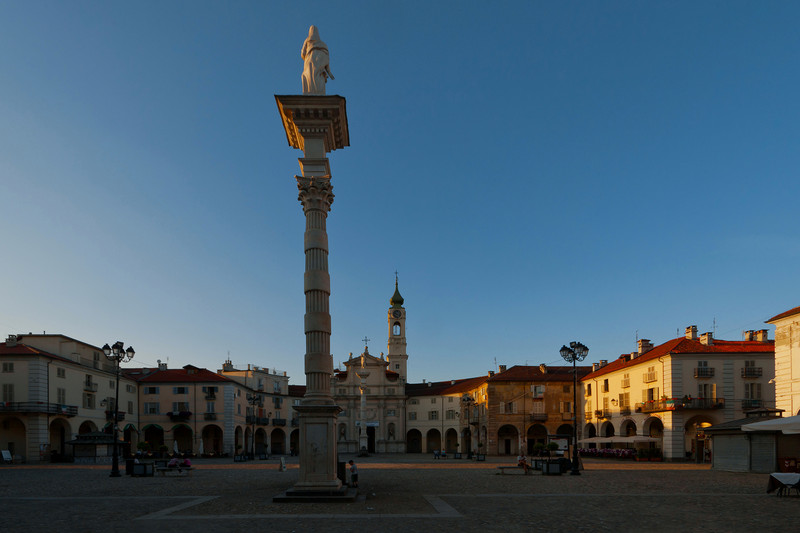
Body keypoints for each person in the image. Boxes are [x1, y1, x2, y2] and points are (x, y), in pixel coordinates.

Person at [301, 25, 334, 94]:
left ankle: (309, 92)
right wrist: (329, 71)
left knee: (309, 76)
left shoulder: (307, 40)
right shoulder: (323, 44)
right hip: (319, 63)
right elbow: (326, 58)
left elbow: (302, 53)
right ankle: (319, 92)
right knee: (319, 76)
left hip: (309, 61)